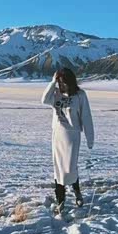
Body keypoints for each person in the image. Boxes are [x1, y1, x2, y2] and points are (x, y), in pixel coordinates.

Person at [41, 67, 95, 213]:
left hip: (72, 135)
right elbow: (44, 100)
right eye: (59, 82)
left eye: (64, 82)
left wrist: (90, 138)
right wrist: (52, 82)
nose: (62, 85)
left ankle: (76, 191)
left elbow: (86, 117)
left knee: (70, 167)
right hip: (58, 134)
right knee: (58, 168)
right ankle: (60, 200)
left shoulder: (80, 95)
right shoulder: (55, 94)